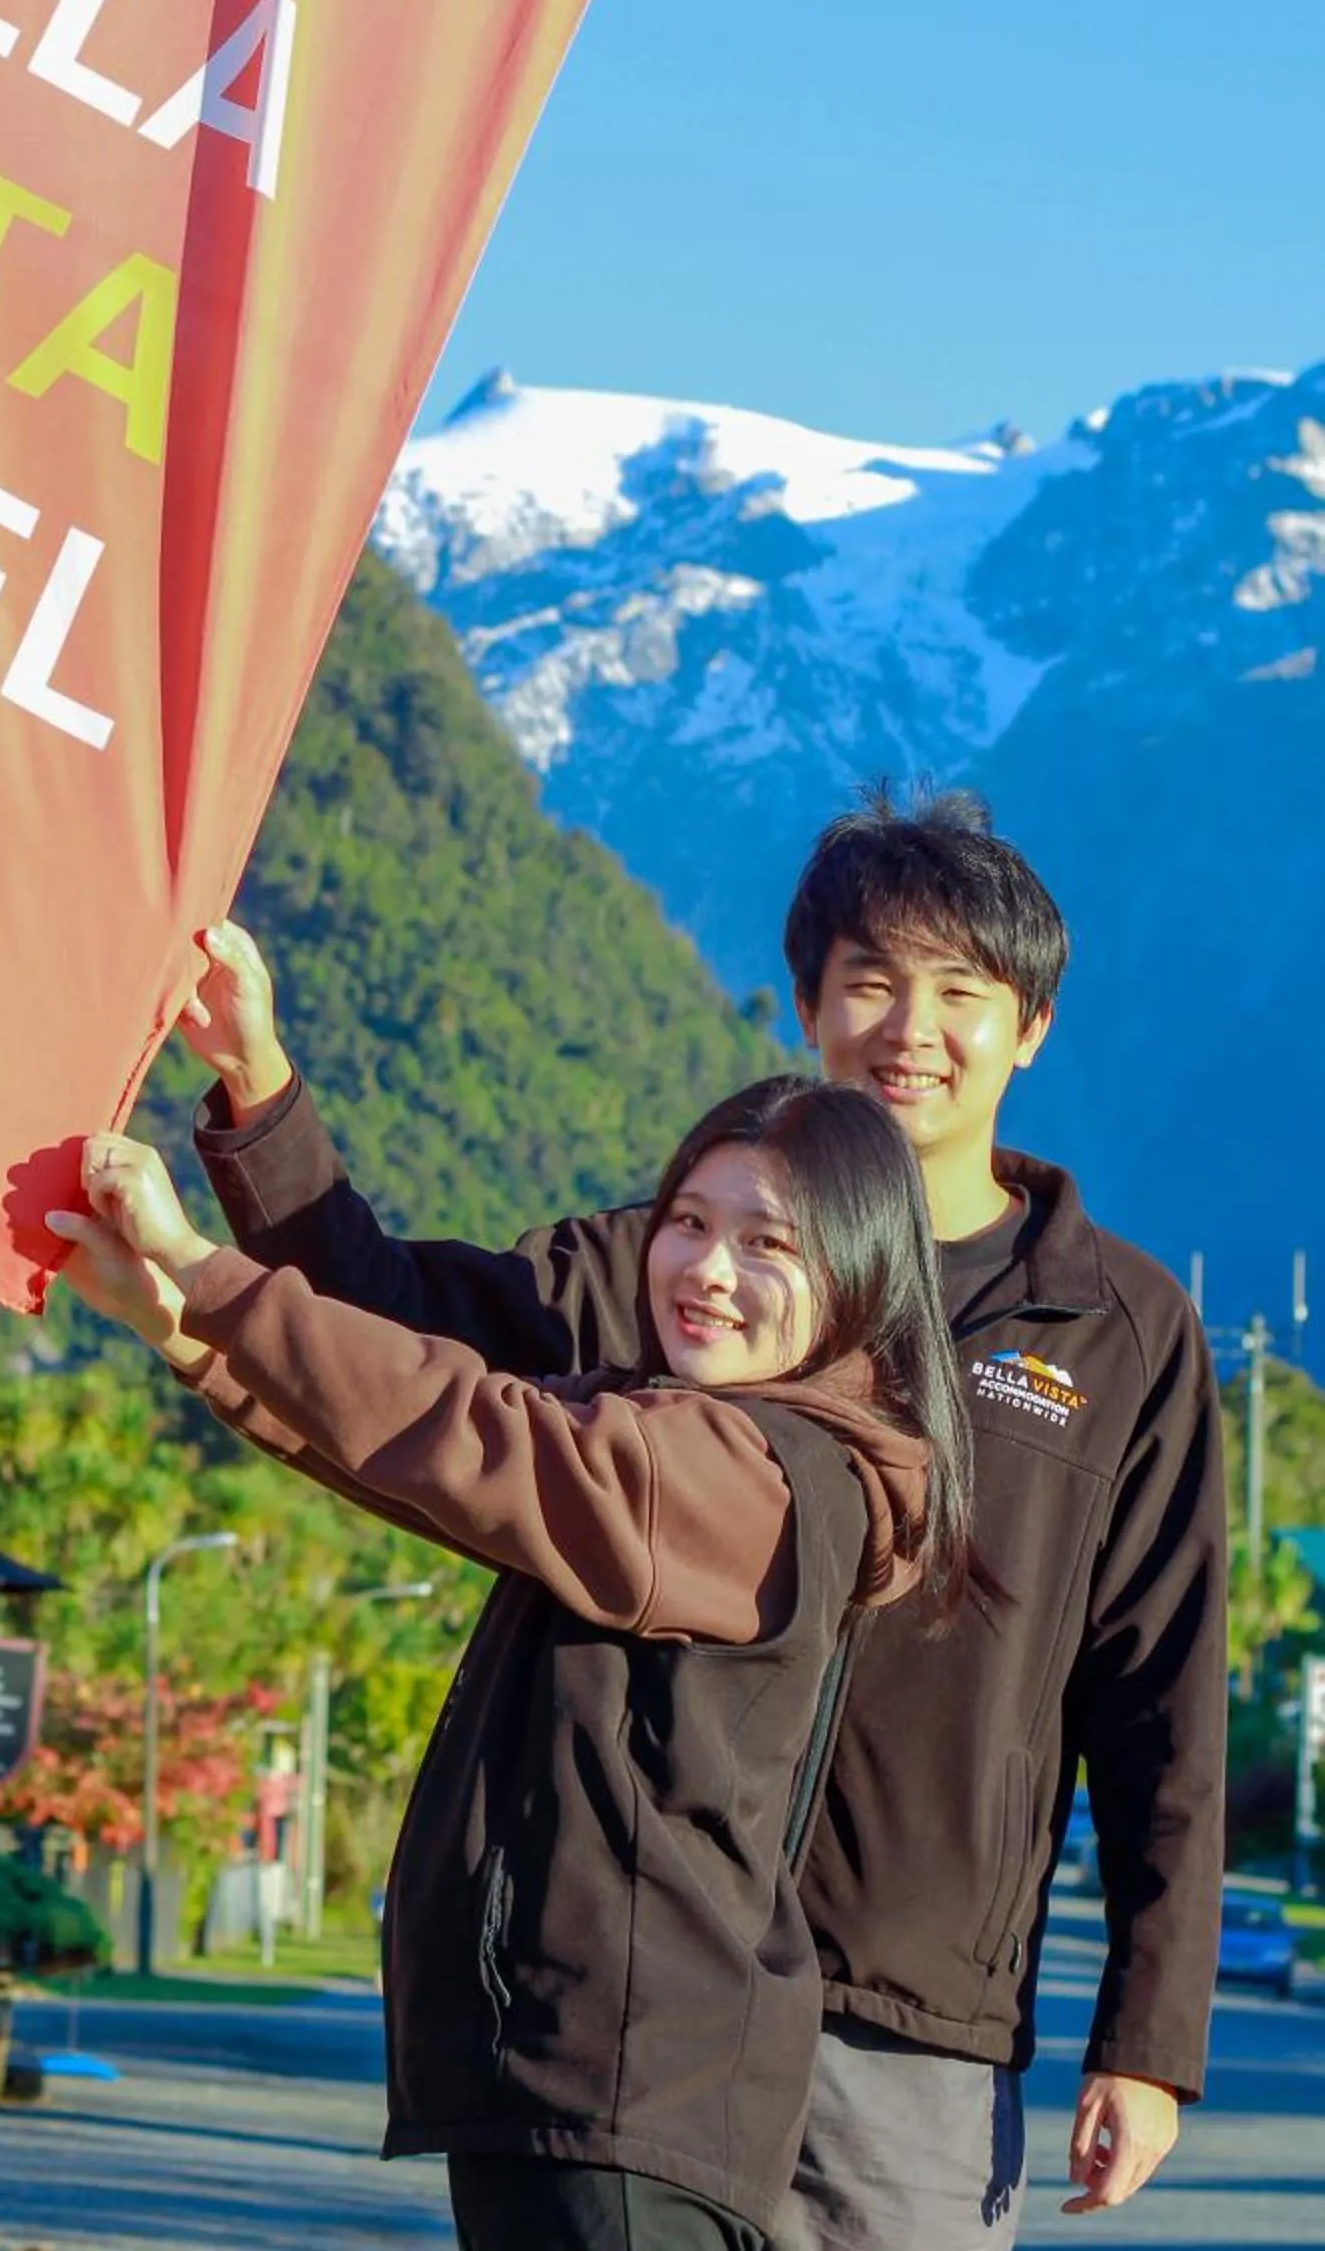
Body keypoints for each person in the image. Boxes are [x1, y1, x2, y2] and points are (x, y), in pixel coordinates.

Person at [171, 789, 1228, 2246]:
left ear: (1029, 1027)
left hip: (902, 2011)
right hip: (664, 1985)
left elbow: (1162, 1698)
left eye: (959, 993)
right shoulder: (683, 1263)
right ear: (808, 1009)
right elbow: (401, 1338)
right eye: (870, 981)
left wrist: (1149, 2040)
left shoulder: (1119, 1330)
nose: (910, 1029)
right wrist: (257, 1090)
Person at [52, 1075, 973, 2251]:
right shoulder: (683, 1436)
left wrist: (203, 1269)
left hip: (623, 2087)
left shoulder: (759, 1475)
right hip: (586, 2083)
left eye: (766, 1244)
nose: (706, 1270)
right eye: (687, 1223)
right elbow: (423, 1457)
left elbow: (477, 1433)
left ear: (858, 1272)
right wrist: (182, 1327)